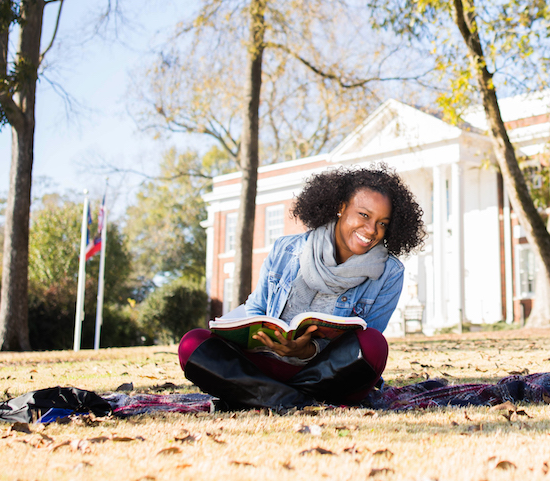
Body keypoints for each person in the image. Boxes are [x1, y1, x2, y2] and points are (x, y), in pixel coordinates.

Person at [178, 164, 425, 410]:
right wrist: (254, 335)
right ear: (341, 208)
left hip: (327, 375)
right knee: (192, 344)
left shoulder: (389, 273)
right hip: (264, 364)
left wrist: (308, 351)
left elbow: (361, 343)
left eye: (382, 223)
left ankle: (259, 396)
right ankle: (296, 400)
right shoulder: (286, 249)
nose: (372, 230)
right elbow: (256, 308)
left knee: (373, 345)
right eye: (364, 215)